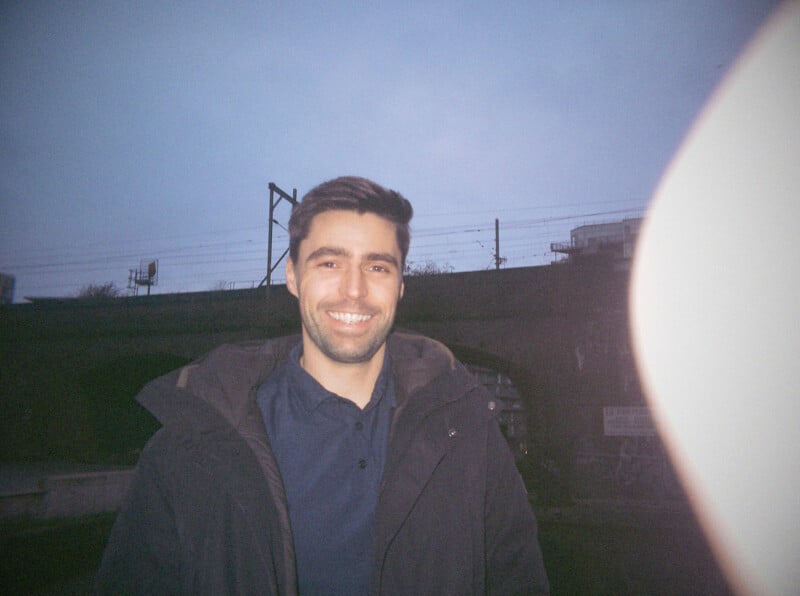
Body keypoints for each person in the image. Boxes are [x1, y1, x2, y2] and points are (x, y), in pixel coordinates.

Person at [94, 176, 549, 595]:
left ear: (401, 287)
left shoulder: (467, 434)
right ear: (292, 276)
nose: (354, 290)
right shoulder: (191, 445)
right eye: (329, 262)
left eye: (377, 267)